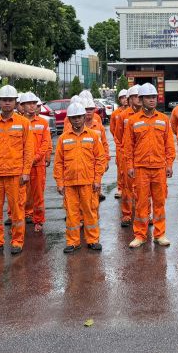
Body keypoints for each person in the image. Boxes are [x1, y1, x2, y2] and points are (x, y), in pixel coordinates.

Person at [0, 84, 34, 256]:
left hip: (16, 175)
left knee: (17, 211)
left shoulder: (23, 123)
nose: (7, 103)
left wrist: (26, 171)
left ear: (16, 103)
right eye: (4, 100)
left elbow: (29, 149)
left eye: (10, 100)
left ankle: (17, 241)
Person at [124, 83, 175, 248]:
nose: (152, 100)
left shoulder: (163, 119)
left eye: (154, 97)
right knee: (141, 203)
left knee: (159, 202)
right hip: (141, 168)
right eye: (148, 97)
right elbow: (128, 146)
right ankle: (140, 235)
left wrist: (169, 164)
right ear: (141, 100)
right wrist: (130, 166)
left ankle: (160, 234)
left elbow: (169, 144)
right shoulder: (133, 121)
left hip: (159, 167)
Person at [54, 102, 107, 253]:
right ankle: (73, 241)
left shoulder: (93, 136)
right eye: (73, 118)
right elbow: (58, 162)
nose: (76, 120)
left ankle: (92, 240)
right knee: (72, 214)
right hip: (69, 183)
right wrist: (59, 182)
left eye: (79, 117)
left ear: (84, 117)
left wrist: (97, 180)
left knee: (90, 212)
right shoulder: (63, 138)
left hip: (88, 182)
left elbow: (100, 159)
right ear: (69, 120)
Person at [19, 92, 51, 233]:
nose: (32, 106)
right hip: (21, 166)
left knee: (38, 195)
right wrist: (24, 160)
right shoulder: (18, 123)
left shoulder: (43, 123)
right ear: (22, 106)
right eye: (28, 104)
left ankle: (38, 220)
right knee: (20, 195)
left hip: (38, 165)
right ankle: (19, 221)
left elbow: (45, 143)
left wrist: (35, 158)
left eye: (34, 104)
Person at [113, 85, 141, 227]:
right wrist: (123, 149)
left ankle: (145, 214)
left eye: (141, 96)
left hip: (142, 156)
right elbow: (117, 134)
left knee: (143, 187)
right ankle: (127, 214)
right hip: (127, 156)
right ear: (130, 99)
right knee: (127, 186)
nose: (139, 99)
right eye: (136, 96)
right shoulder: (123, 116)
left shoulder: (145, 115)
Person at [110, 89, 129, 200]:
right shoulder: (115, 114)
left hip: (133, 145)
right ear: (119, 100)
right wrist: (119, 141)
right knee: (121, 168)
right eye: (122, 98)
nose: (125, 100)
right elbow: (113, 129)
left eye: (126, 97)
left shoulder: (134, 112)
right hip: (120, 145)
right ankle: (120, 188)